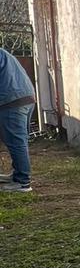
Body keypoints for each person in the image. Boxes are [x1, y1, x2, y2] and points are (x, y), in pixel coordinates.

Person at [0, 48, 36, 193]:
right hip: (25, 97)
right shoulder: (3, 52)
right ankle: (18, 175)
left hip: (12, 101)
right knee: (19, 141)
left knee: (16, 142)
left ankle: (22, 182)